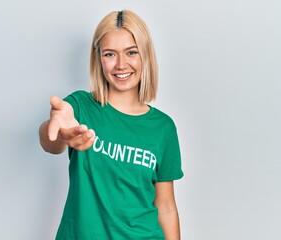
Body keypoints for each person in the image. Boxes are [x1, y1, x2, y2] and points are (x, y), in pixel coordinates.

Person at [39, 10, 184, 240]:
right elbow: (50, 141)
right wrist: (61, 135)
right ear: (99, 60)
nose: (121, 64)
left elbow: (166, 207)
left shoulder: (163, 128)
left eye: (131, 52)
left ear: (145, 55)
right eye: (110, 54)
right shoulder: (81, 106)